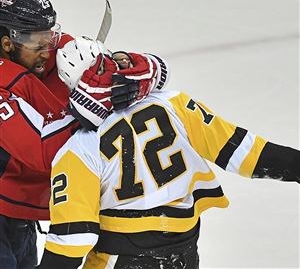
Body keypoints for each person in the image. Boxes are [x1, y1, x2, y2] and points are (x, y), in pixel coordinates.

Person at [37, 38, 299, 269]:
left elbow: (70, 244)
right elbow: (247, 153)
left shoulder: (78, 150)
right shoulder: (174, 103)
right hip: (183, 252)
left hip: (119, 259)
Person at [0, 0, 170, 268]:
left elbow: (142, 73)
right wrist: (88, 106)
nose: (48, 51)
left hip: (18, 211)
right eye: (38, 44)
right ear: (8, 42)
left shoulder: (48, 51)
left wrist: (134, 71)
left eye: (49, 38)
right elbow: (41, 151)